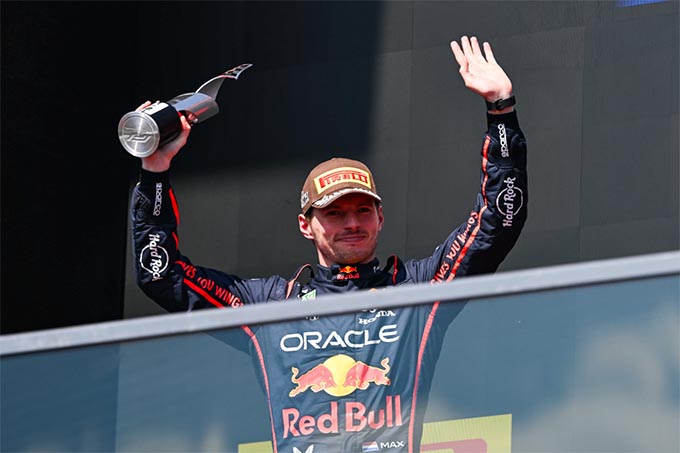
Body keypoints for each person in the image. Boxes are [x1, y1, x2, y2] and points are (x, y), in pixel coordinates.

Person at [131, 36, 527, 453]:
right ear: (306, 226)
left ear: (380, 218)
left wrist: (501, 110)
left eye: (362, 210)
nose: (352, 223)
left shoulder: (417, 291)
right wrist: (154, 171)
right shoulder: (270, 306)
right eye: (335, 213)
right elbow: (161, 275)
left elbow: (498, 222)